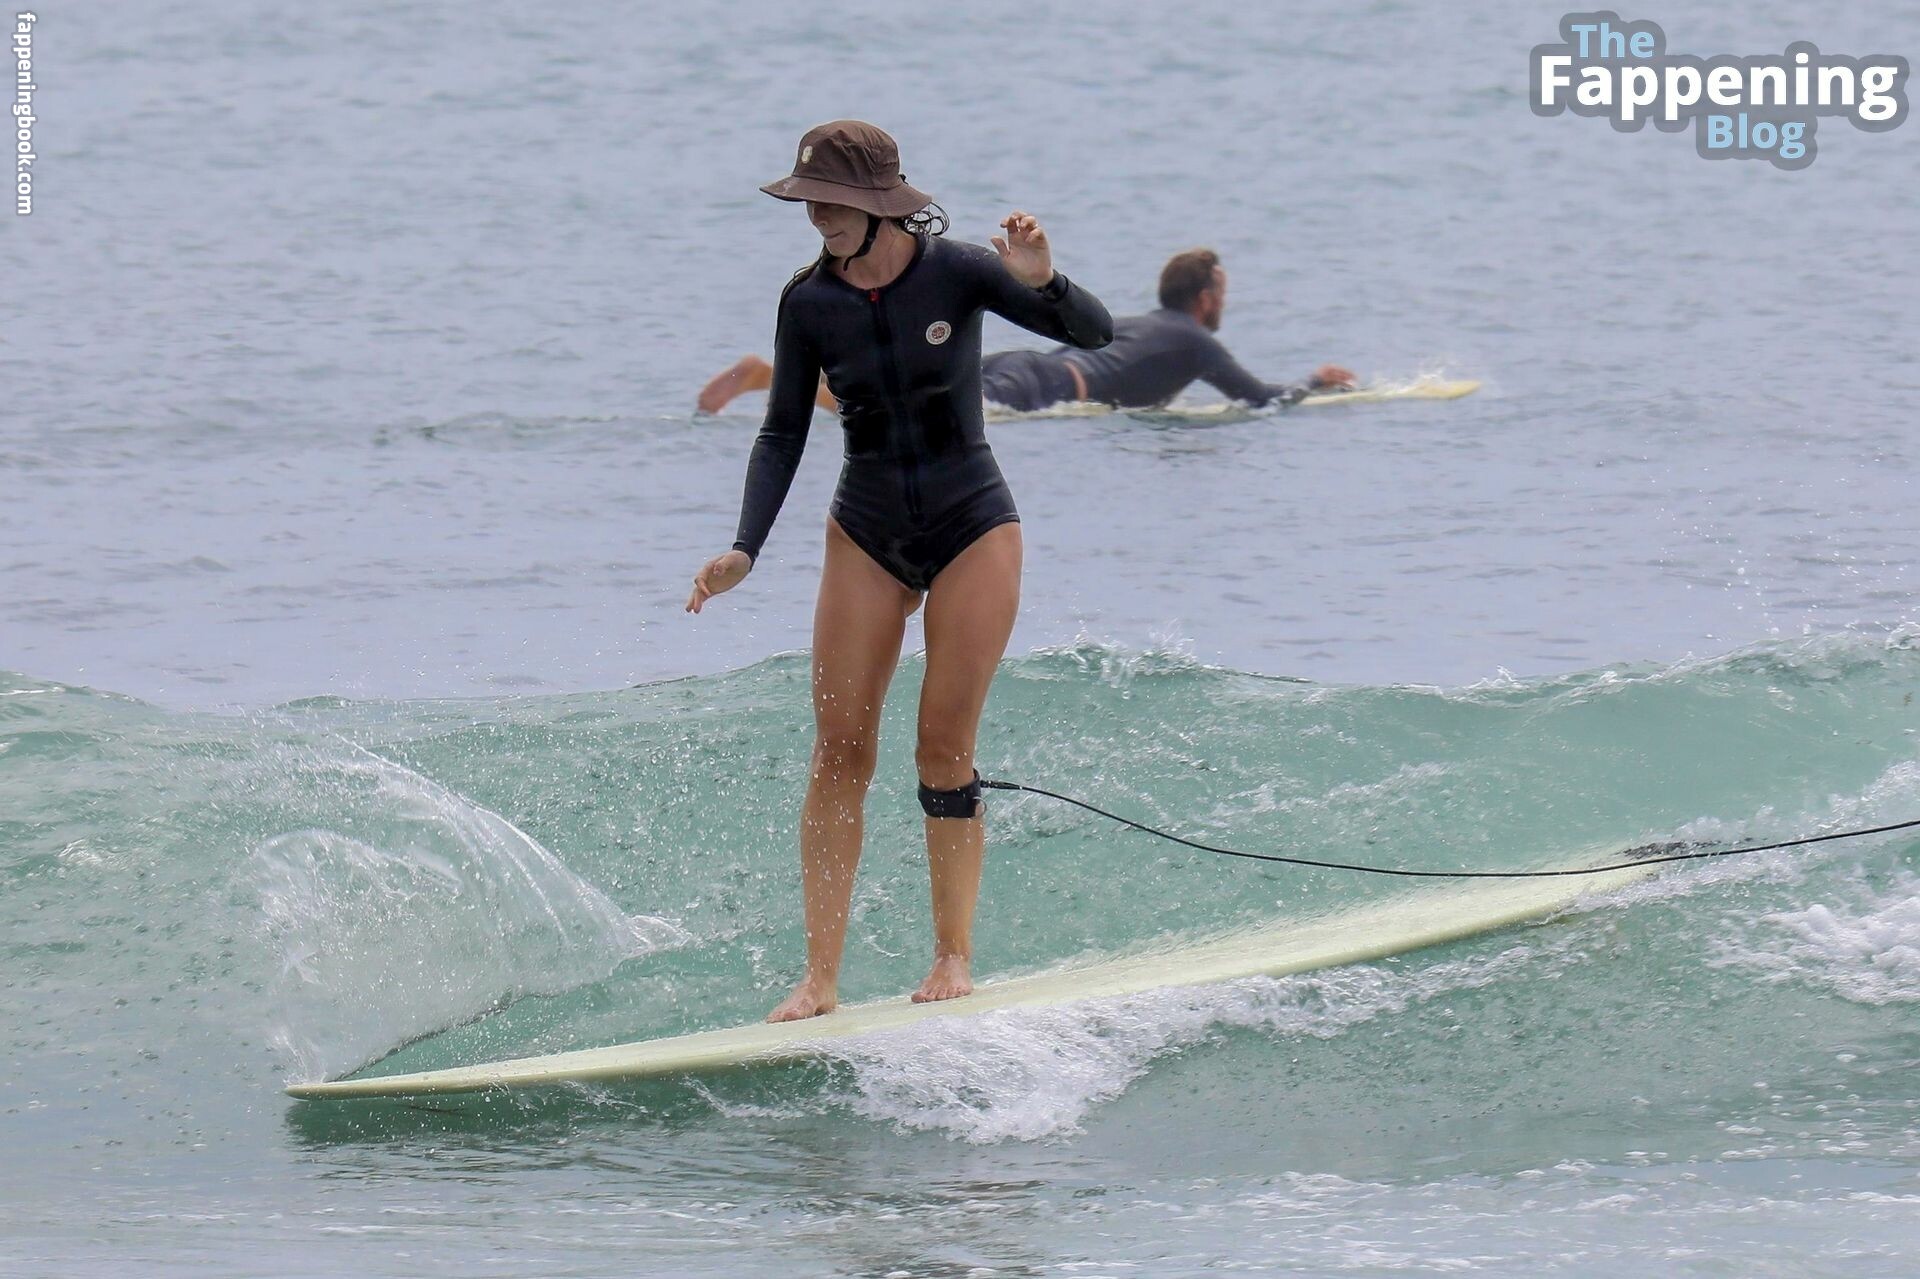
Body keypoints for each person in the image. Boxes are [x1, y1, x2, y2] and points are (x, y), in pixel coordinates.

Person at [684, 120, 1113, 1023]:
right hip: (866, 525)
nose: (818, 218)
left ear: (882, 204)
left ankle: (953, 955)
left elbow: (1091, 334)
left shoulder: (960, 271)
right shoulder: (809, 302)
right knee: (840, 748)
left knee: (942, 747)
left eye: (833, 202)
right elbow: (782, 430)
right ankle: (820, 978)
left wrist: (1044, 279)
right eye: (809, 202)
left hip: (972, 521)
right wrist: (745, 547)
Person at [697, 246, 1353, 415]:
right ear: (1206, 299)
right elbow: (1259, 400)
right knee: (901, 413)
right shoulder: (1196, 340)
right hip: (1042, 387)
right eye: (1223, 294)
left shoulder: (1138, 324)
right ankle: (777, 378)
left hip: (1023, 365)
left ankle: (795, 375)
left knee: (904, 396)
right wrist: (1315, 383)